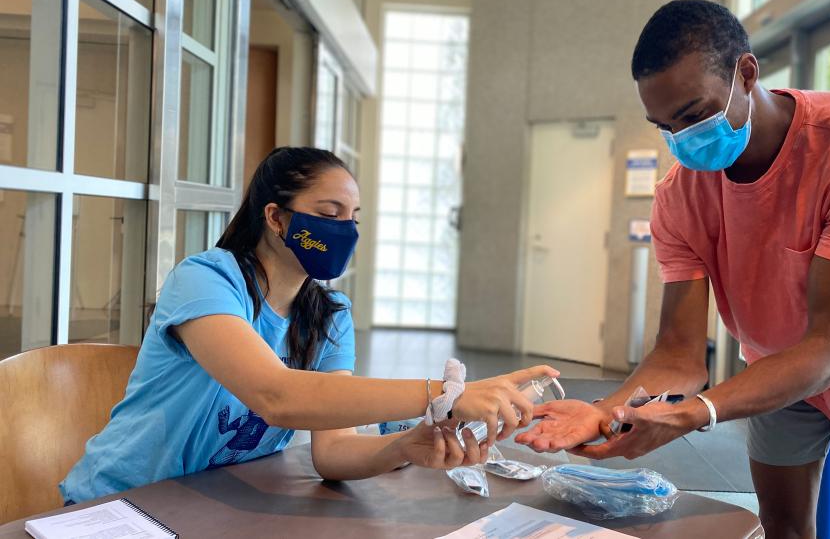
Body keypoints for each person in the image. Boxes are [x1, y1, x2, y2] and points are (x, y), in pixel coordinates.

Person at [516, 0, 830, 539]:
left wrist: (692, 414)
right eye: (664, 126)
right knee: (784, 529)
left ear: (746, 73)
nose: (683, 139)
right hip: (777, 374)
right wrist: (606, 409)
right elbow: (678, 354)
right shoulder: (680, 198)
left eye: (694, 114)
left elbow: (827, 350)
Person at [61, 146, 557, 503]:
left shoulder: (329, 316)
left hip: (210, 505)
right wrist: (440, 394)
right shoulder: (207, 279)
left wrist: (406, 445)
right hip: (122, 504)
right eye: (328, 213)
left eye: (353, 216)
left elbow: (334, 451)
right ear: (276, 218)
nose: (345, 229)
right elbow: (276, 396)